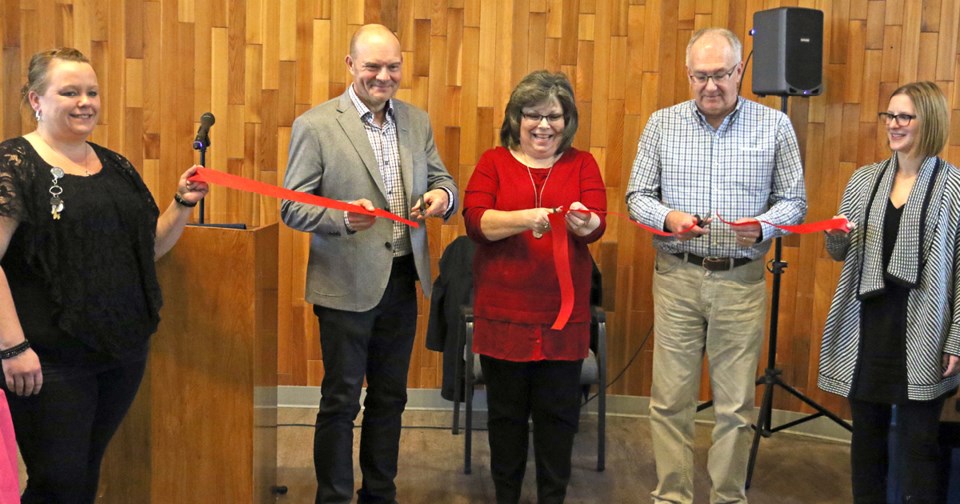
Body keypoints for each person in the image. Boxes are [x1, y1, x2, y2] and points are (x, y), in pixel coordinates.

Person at [0, 47, 207, 503]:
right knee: (58, 481)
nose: (85, 102)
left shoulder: (115, 166)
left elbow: (147, 248)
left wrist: (183, 202)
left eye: (91, 92)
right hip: (45, 362)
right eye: (69, 92)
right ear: (36, 100)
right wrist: (12, 347)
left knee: (85, 473)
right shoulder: (13, 163)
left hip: (119, 356)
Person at [625, 28, 807, 503]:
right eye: (701, 76)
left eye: (721, 75)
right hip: (677, 276)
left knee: (734, 406)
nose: (711, 86)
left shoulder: (774, 127)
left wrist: (764, 226)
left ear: (740, 71)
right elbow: (636, 198)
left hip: (741, 280)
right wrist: (668, 217)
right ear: (688, 75)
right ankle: (672, 496)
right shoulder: (662, 124)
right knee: (669, 402)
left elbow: (794, 203)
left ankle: (728, 498)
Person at [280, 24, 457, 504]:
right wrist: (339, 216)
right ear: (350, 65)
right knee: (340, 402)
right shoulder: (316, 125)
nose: (383, 76)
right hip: (343, 285)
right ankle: (333, 497)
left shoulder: (417, 122)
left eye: (392, 67)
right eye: (372, 66)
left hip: (403, 279)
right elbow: (291, 205)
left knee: (390, 399)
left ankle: (380, 493)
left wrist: (442, 196)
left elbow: (444, 180)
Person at [462, 70, 606, 504]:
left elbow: (597, 223)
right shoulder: (493, 162)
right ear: (515, 117)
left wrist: (584, 221)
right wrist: (531, 216)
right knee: (505, 417)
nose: (544, 125)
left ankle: (552, 497)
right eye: (533, 115)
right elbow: (476, 221)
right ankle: (505, 496)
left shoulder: (583, 164)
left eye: (555, 116)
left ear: (568, 120)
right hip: (504, 315)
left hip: (564, 318)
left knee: (558, 418)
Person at [818, 81, 960, 503]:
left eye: (904, 117)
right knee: (866, 442)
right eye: (889, 116)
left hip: (925, 331)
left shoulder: (954, 188)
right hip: (866, 328)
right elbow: (838, 252)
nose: (893, 125)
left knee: (919, 446)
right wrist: (834, 232)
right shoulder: (864, 180)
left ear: (928, 122)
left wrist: (957, 338)